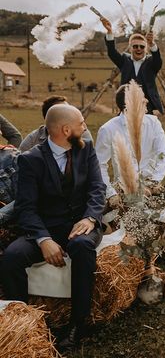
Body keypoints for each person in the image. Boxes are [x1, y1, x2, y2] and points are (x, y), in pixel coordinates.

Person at [1, 104, 106, 352]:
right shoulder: (31, 159)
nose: (85, 126)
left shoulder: (86, 150)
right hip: (46, 227)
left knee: (81, 246)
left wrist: (91, 218)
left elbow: (97, 189)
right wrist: (43, 239)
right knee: (11, 258)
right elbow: (26, 208)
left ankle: (78, 324)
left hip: (83, 224)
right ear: (66, 129)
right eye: (81, 123)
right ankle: (26, 324)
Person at [95, 84, 165, 199]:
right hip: (122, 190)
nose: (146, 100)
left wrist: (153, 183)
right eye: (141, 99)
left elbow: (163, 154)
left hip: (152, 187)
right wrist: (111, 194)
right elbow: (99, 165)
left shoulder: (154, 123)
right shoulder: (108, 129)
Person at [100, 17, 163, 115]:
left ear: (146, 49)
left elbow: (158, 61)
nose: (138, 49)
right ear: (130, 48)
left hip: (146, 107)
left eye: (142, 46)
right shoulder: (124, 61)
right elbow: (112, 52)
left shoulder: (151, 63)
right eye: (135, 46)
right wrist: (109, 31)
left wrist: (152, 44)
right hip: (126, 105)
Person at [19, 95, 92, 152]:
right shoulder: (33, 140)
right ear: (51, 117)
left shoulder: (81, 133)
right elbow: (19, 164)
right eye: (66, 112)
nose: (71, 113)